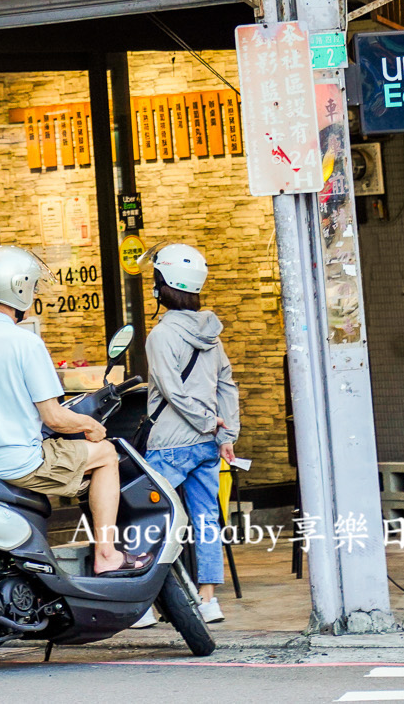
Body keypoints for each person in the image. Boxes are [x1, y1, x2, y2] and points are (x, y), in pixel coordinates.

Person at [0, 246, 134, 575]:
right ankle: (107, 554)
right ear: (19, 287)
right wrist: (90, 426)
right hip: (18, 463)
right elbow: (54, 418)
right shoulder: (25, 342)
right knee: (106, 454)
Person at [141, 243, 240, 626]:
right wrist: (225, 431)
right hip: (205, 447)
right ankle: (208, 600)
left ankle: (146, 605)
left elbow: (170, 391)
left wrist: (204, 421)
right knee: (206, 520)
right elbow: (226, 384)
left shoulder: (161, 336)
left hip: (169, 444)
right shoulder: (211, 332)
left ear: (162, 286)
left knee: (149, 520)